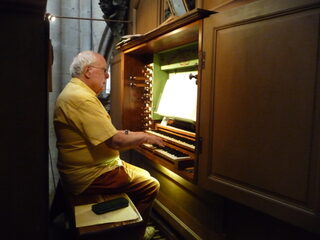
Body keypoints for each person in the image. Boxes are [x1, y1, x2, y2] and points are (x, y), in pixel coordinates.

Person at [53, 50, 164, 239]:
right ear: (88, 71)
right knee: (151, 184)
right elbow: (115, 141)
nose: (107, 75)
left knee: (143, 174)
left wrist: (136, 134)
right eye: (104, 70)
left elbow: (108, 135)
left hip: (90, 168)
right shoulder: (81, 98)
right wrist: (145, 137)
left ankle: (129, 222)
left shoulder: (76, 92)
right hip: (91, 176)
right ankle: (134, 234)